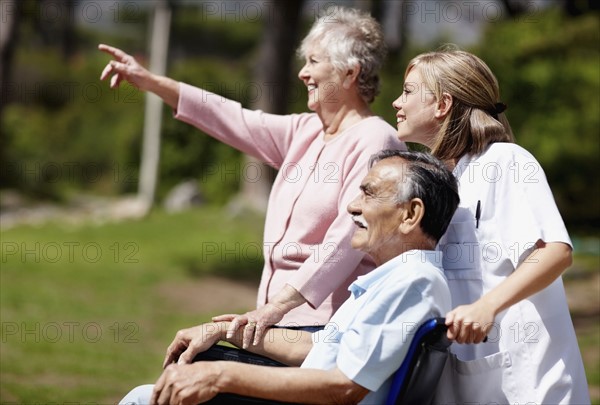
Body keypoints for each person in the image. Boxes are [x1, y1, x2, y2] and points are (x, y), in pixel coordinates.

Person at [99, 6, 404, 347]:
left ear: (350, 73)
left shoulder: (376, 140)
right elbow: (231, 117)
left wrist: (275, 309)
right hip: (275, 324)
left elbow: (345, 241)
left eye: (314, 62)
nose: (302, 73)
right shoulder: (305, 131)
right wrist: (151, 82)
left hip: (323, 331)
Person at [118, 149, 461, 405]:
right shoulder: (400, 279)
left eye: (368, 193)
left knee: (143, 398)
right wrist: (228, 331)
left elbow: (344, 386)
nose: (352, 206)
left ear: (411, 214)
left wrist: (221, 375)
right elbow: (322, 348)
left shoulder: (413, 283)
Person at [392, 48, 590, 404]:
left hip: (529, 386)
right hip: (468, 384)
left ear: (443, 104)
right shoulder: (440, 182)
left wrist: (487, 307)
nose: (395, 102)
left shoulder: (506, 161)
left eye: (407, 91)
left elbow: (555, 252)